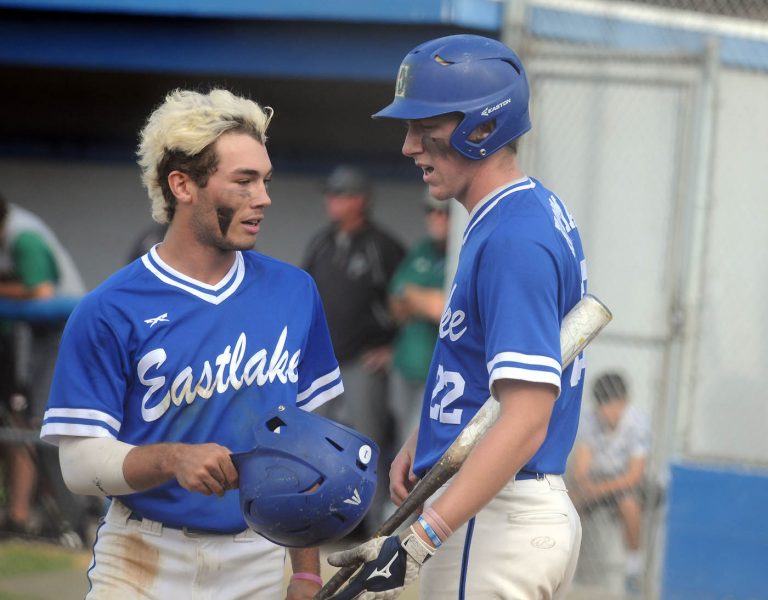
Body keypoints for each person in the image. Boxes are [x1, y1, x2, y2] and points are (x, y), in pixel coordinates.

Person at [39, 89, 345, 599]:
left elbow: (304, 446)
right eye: (244, 181)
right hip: (143, 554)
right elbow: (78, 466)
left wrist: (308, 574)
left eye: (265, 180)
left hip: (259, 553)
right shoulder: (109, 307)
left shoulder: (296, 291)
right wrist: (172, 458)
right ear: (182, 184)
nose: (264, 197)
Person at [326, 34, 588, 599]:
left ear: (484, 127)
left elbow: (525, 418)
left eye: (426, 128)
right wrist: (430, 435)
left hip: (495, 517)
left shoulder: (514, 236)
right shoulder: (522, 212)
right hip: (508, 511)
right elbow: (483, 366)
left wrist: (423, 537)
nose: (409, 146)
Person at [302, 164, 405, 535]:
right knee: (313, 446)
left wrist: (393, 347)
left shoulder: (383, 246)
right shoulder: (323, 242)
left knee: (366, 446)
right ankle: (313, 525)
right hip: (322, 365)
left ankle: (377, 531)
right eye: (330, 194)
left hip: (362, 364)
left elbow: (403, 304)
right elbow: (306, 297)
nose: (331, 201)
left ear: (360, 199)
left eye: (340, 194)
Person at [0, 195, 86, 539]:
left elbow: (41, 291)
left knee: (43, 425)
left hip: (63, 334)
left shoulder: (24, 235)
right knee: (27, 423)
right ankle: (28, 515)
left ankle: (63, 520)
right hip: (38, 338)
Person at [569, 372, 652, 596]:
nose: (609, 413)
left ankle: (633, 568)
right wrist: (586, 486)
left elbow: (634, 475)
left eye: (614, 406)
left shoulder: (638, 422)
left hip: (624, 482)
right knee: (570, 504)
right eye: (603, 407)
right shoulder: (589, 419)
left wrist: (598, 490)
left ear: (624, 403)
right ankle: (565, 561)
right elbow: (581, 469)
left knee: (630, 506)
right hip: (598, 479)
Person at [388, 192, 449, 451]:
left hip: (436, 374)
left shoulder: (460, 249)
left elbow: (440, 309)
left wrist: (413, 294)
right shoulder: (422, 249)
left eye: (444, 212)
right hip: (405, 367)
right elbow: (394, 304)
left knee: (422, 447)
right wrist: (424, 299)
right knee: (402, 441)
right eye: (430, 211)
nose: (436, 217)